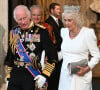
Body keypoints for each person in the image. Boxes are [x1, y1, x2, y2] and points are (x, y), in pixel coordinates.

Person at [6, 5, 58, 90]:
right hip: (15, 76)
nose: (23, 22)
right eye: (19, 19)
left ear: (29, 16)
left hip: (32, 75)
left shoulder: (42, 31)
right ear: (16, 20)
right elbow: (10, 58)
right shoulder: (13, 32)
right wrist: (8, 77)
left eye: (24, 18)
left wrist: (44, 75)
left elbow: (53, 57)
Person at [58, 5, 100, 90]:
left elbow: (97, 55)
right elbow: (64, 52)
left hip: (81, 75)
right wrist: (51, 56)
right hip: (65, 75)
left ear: (77, 20)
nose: (66, 23)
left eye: (70, 20)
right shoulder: (64, 32)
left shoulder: (87, 33)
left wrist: (87, 68)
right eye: (65, 20)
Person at [45, 3, 63, 90]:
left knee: (59, 78)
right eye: (57, 9)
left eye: (60, 9)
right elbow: (49, 40)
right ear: (52, 10)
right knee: (52, 78)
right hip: (53, 54)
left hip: (61, 54)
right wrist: (55, 52)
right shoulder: (48, 22)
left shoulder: (60, 21)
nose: (60, 11)